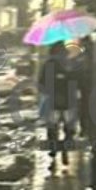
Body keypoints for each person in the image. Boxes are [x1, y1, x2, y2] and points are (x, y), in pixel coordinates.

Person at [38, 40, 78, 171]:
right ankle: (56, 151)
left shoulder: (68, 64)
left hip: (63, 102)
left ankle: (60, 149)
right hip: (59, 102)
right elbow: (42, 83)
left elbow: (41, 84)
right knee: (57, 128)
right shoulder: (55, 65)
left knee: (64, 129)